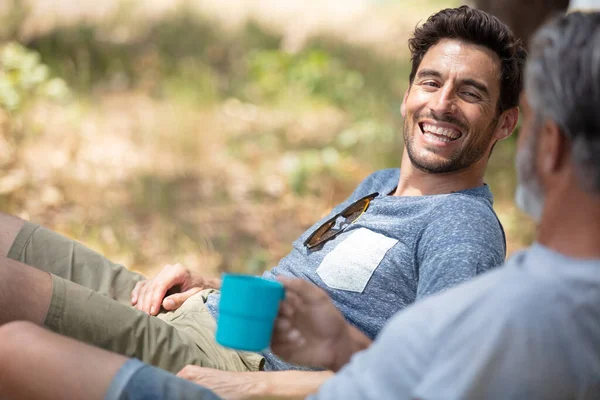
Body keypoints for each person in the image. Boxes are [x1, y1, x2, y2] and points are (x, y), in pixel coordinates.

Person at [0, 9, 593, 400]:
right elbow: (314, 288)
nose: (442, 104)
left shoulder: (462, 230)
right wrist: (213, 286)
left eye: (470, 93)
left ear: (506, 123)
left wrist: (259, 389)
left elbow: (424, 377)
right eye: (431, 82)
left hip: (234, 365)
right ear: (407, 93)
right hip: (212, 312)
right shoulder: (380, 183)